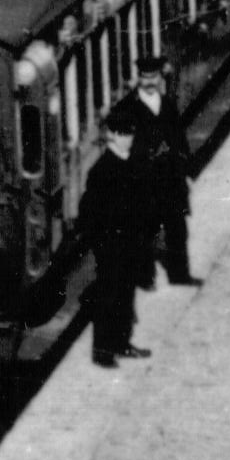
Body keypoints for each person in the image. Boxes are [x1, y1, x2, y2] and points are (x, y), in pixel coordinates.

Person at [79, 104, 153, 367]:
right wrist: (102, 245)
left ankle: (122, 343)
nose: (127, 138)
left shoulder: (129, 164)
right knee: (108, 298)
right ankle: (103, 353)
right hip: (111, 247)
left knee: (125, 296)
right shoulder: (101, 170)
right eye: (122, 133)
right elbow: (89, 214)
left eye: (130, 133)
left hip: (130, 243)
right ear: (110, 134)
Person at [127, 58, 197, 287]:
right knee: (145, 231)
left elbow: (180, 139)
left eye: (153, 77)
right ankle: (145, 278)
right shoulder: (130, 108)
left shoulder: (166, 104)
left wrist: (187, 171)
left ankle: (180, 275)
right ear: (139, 78)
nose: (149, 82)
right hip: (146, 180)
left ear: (159, 78)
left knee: (177, 229)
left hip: (172, 178)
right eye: (145, 77)